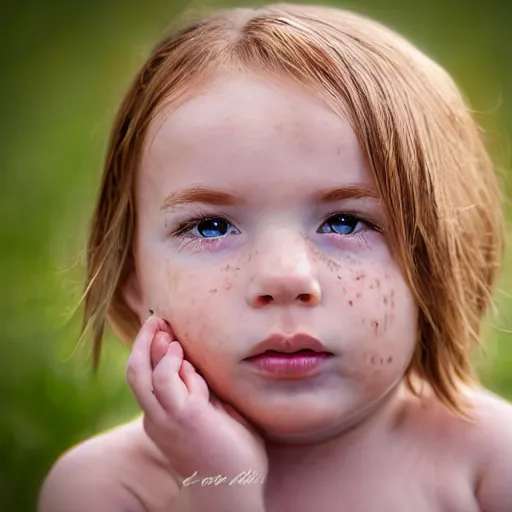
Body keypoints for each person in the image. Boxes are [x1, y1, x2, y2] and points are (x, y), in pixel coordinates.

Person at [38, 3, 512, 511]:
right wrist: (218, 489)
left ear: (442, 255)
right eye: (211, 226)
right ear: (133, 278)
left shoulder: (489, 461)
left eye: (346, 221)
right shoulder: (106, 489)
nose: (285, 277)